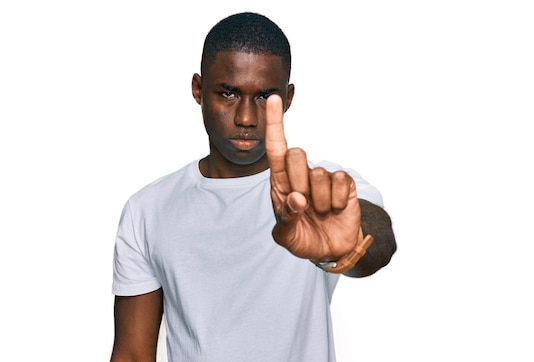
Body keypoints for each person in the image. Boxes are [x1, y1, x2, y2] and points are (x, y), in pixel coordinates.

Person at [110, 11, 397, 362]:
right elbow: (132, 354)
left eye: (264, 96)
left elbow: (379, 243)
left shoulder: (319, 191)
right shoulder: (148, 209)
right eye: (228, 93)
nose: (246, 118)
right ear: (198, 90)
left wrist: (346, 246)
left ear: (288, 98)